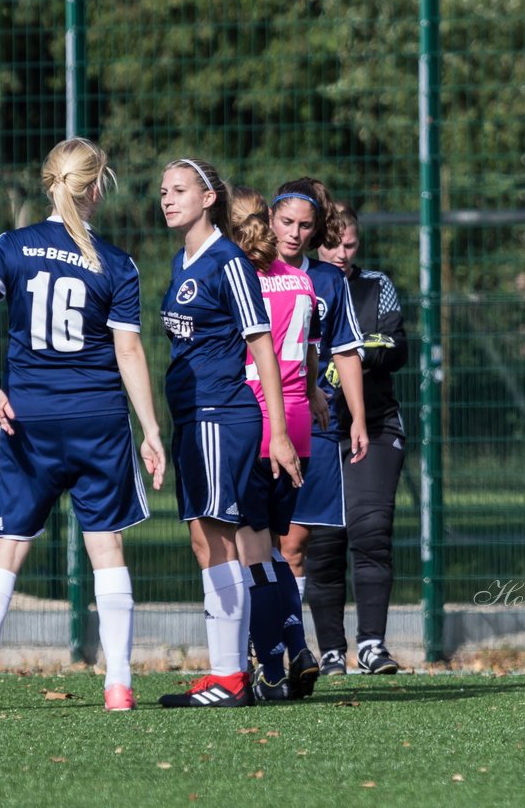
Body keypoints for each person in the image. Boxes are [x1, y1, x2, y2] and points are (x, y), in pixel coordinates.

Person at [0, 138, 165, 713]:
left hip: (30, 420)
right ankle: (118, 684)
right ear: (96, 189)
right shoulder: (115, 263)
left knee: (7, 550)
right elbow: (129, 352)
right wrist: (150, 429)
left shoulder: (11, 246)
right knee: (107, 550)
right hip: (97, 421)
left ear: (52, 185)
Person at [156, 160, 302, 708]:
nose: (168, 200)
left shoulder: (229, 263)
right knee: (204, 540)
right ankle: (225, 673)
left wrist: (279, 432)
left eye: (180, 190)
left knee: (220, 539)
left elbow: (260, 344)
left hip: (223, 415)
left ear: (209, 196)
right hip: (192, 419)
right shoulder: (182, 261)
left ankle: (232, 679)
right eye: (163, 192)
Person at [267, 178, 368, 678]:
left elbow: (344, 349)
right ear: (269, 219)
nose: (294, 233)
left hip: (314, 426)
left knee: (294, 544)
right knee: (256, 541)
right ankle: (265, 642)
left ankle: (289, 647)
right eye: (286, 222)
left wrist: (358, 419)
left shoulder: (327, 281)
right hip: (258, 418)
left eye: (305, 225)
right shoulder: (249, 272)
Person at [305, 202, 408, 675]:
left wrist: (351, 357)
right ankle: (330, 650)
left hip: (377, 427)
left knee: (370, 530)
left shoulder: (376, 286)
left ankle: (372, 645)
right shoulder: (301, 284)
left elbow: (393, 345)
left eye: (350, 245)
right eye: (332, 244)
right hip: (318, 431)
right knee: (325, 542)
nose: (342, 253)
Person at [229, 187, 321, 700]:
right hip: (300, 424)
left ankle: (270, 664)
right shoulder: (304, 281)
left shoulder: (244, 283)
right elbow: (307, 358)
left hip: (257, 423)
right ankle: (299, 648)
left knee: (253, 555)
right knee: (279, 555)